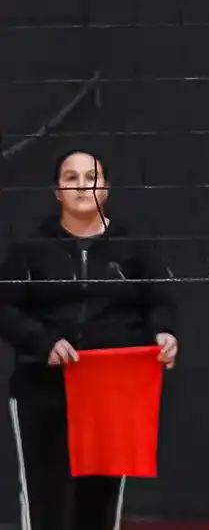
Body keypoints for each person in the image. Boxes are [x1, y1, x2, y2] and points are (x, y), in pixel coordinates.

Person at [0, 151, 179, 530]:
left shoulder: (135, 247)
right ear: (57, 191)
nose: (82, 185)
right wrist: (42, 340)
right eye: (72, 177)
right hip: (44, 389)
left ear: (106, 187)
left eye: (91, 176)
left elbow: (160, 300)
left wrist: (163, 332)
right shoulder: (30, 250)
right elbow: (5, 309)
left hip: (109, 390)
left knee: (100, 497)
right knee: (46, 495)